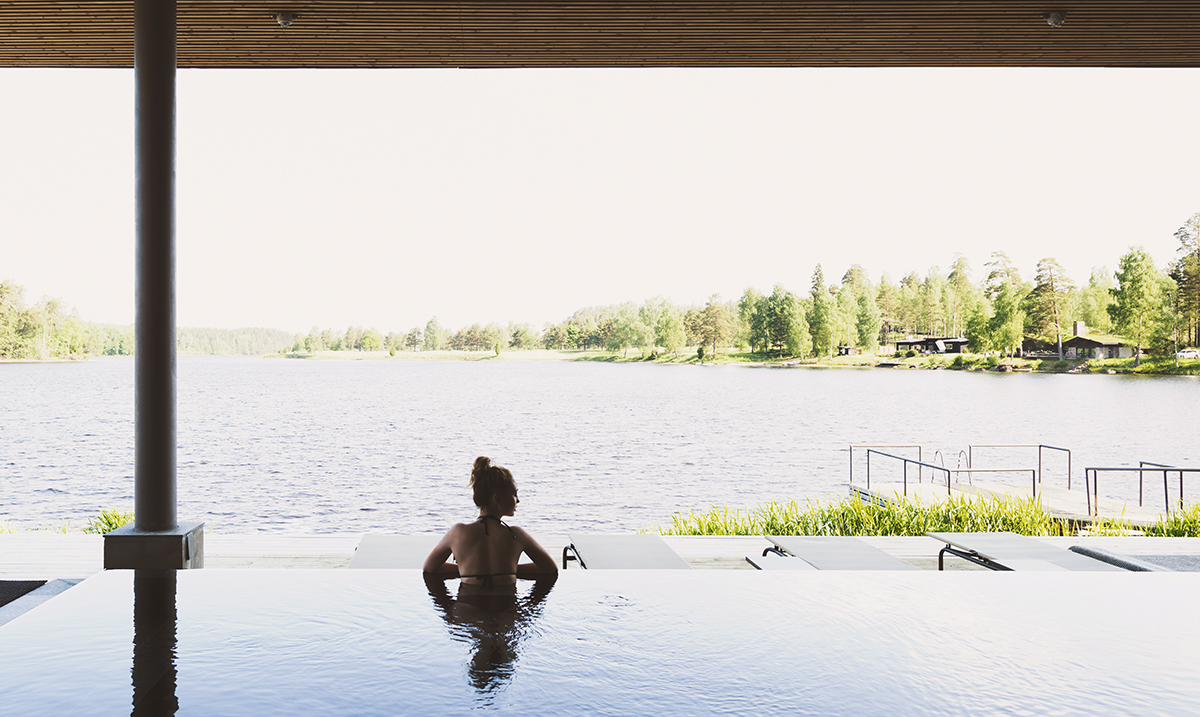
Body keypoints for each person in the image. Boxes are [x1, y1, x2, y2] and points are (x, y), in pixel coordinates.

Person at [423, 456, 558, 585]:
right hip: (506, 601)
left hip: (468, 601)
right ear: (497, 499)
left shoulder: (458, 532)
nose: (518, 500)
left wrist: (468, 570)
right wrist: (509, 571)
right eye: (514, 494)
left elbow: (429, 568)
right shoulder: (516, 534)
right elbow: (550, 569)